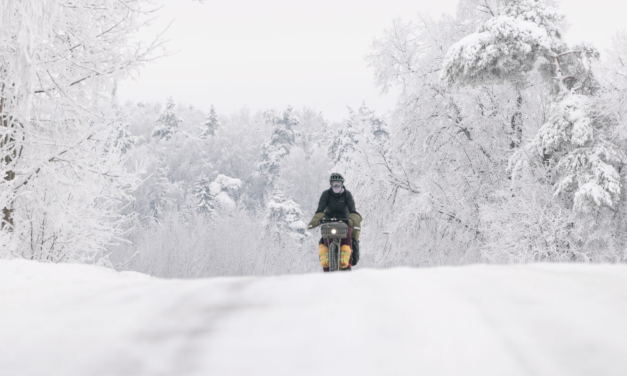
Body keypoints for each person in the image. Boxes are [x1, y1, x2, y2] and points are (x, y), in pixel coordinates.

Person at [307, 173, 362, 272]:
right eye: (334, 184)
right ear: (330, 184)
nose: (336, 186)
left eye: (338, 184)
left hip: (344, 222)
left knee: (348, 237)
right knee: (326, 241)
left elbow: (352, 209)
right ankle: (327, 269)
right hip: (329, 221)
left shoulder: (347, 195)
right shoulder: (326, 194)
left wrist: (352, 219)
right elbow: (320, 209)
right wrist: (318, 219)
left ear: (342, 184)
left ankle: (347, 264)